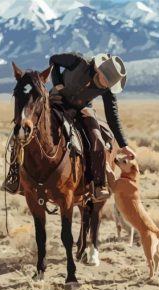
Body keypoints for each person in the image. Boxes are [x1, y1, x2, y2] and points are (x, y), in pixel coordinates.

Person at [48, 52, 136, 199]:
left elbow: (112, 116)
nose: (105, 85)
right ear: (99, 70)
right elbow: (53, 60)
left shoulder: (107, 88)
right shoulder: (79, 62)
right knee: (33, 125)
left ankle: (99, 185)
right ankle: (17, 174)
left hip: (82, 107)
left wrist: (124, 145)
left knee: (98, 140)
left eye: (109, 84)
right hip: (58, 100)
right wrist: (57, 82)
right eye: (105, 80)